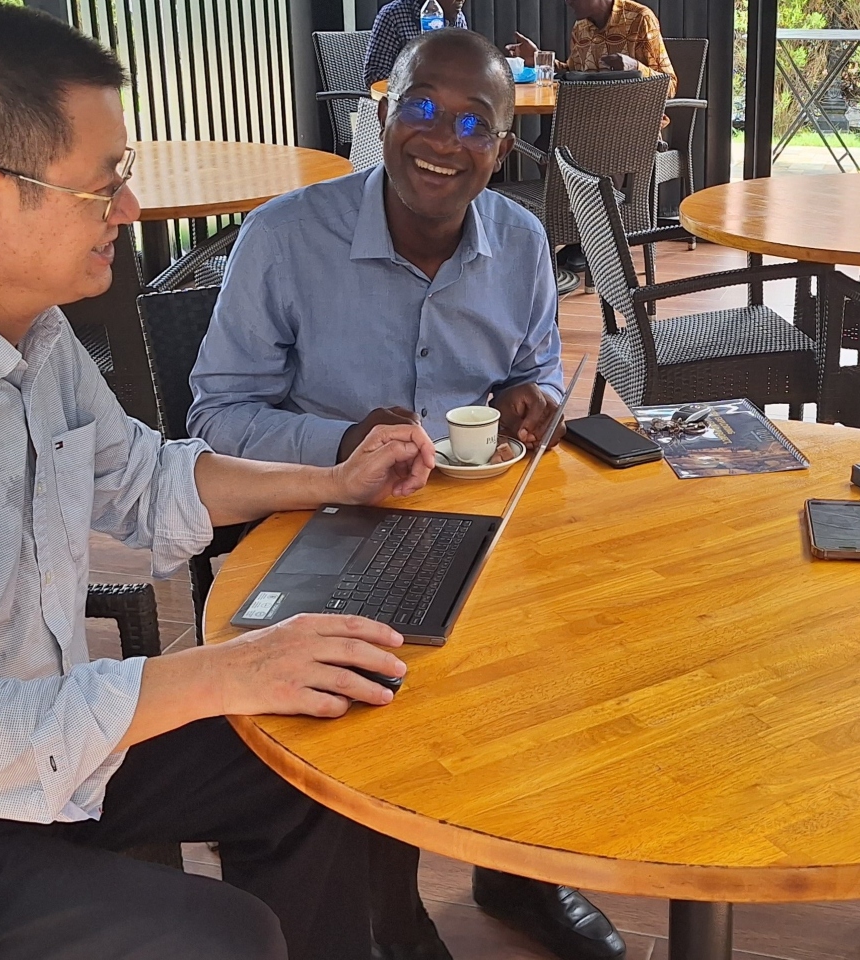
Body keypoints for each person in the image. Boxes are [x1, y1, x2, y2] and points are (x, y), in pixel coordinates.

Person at [0, 6, 441, 960]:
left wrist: (333, 479)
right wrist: (219, 671)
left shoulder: (33, 330)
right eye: (103, 186)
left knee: (318, 751)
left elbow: (143, 479)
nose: (130, 210)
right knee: (227, 937)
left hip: (56, 724)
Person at [188, 29, 621, 960]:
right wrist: (340, 443)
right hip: (320, 518)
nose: (442, 139)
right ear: (383, 114)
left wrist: (533, 396)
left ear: (501, 148)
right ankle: (389, 912)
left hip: (476, 507)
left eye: (473, 123)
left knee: (562, 643)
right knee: (366, 691)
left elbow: (536, 366)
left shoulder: (521, 242)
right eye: (422, 108)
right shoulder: (285, 238)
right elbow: (216, 419)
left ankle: (519, 871)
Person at [506, 0, 676, 98]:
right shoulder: (580, 28)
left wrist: (635, 67)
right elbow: (573, 73)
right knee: (545, 142)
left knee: (548, 144)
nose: (568, 2)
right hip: (589, 121)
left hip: (635, 125)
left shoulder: (640, 19)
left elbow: (670, 87)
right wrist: (539, 60)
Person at [363, 0, 468, 89]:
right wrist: (416, 82)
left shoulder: (457, 17)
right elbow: (373, 76)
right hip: (404, 101)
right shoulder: (393, 16)